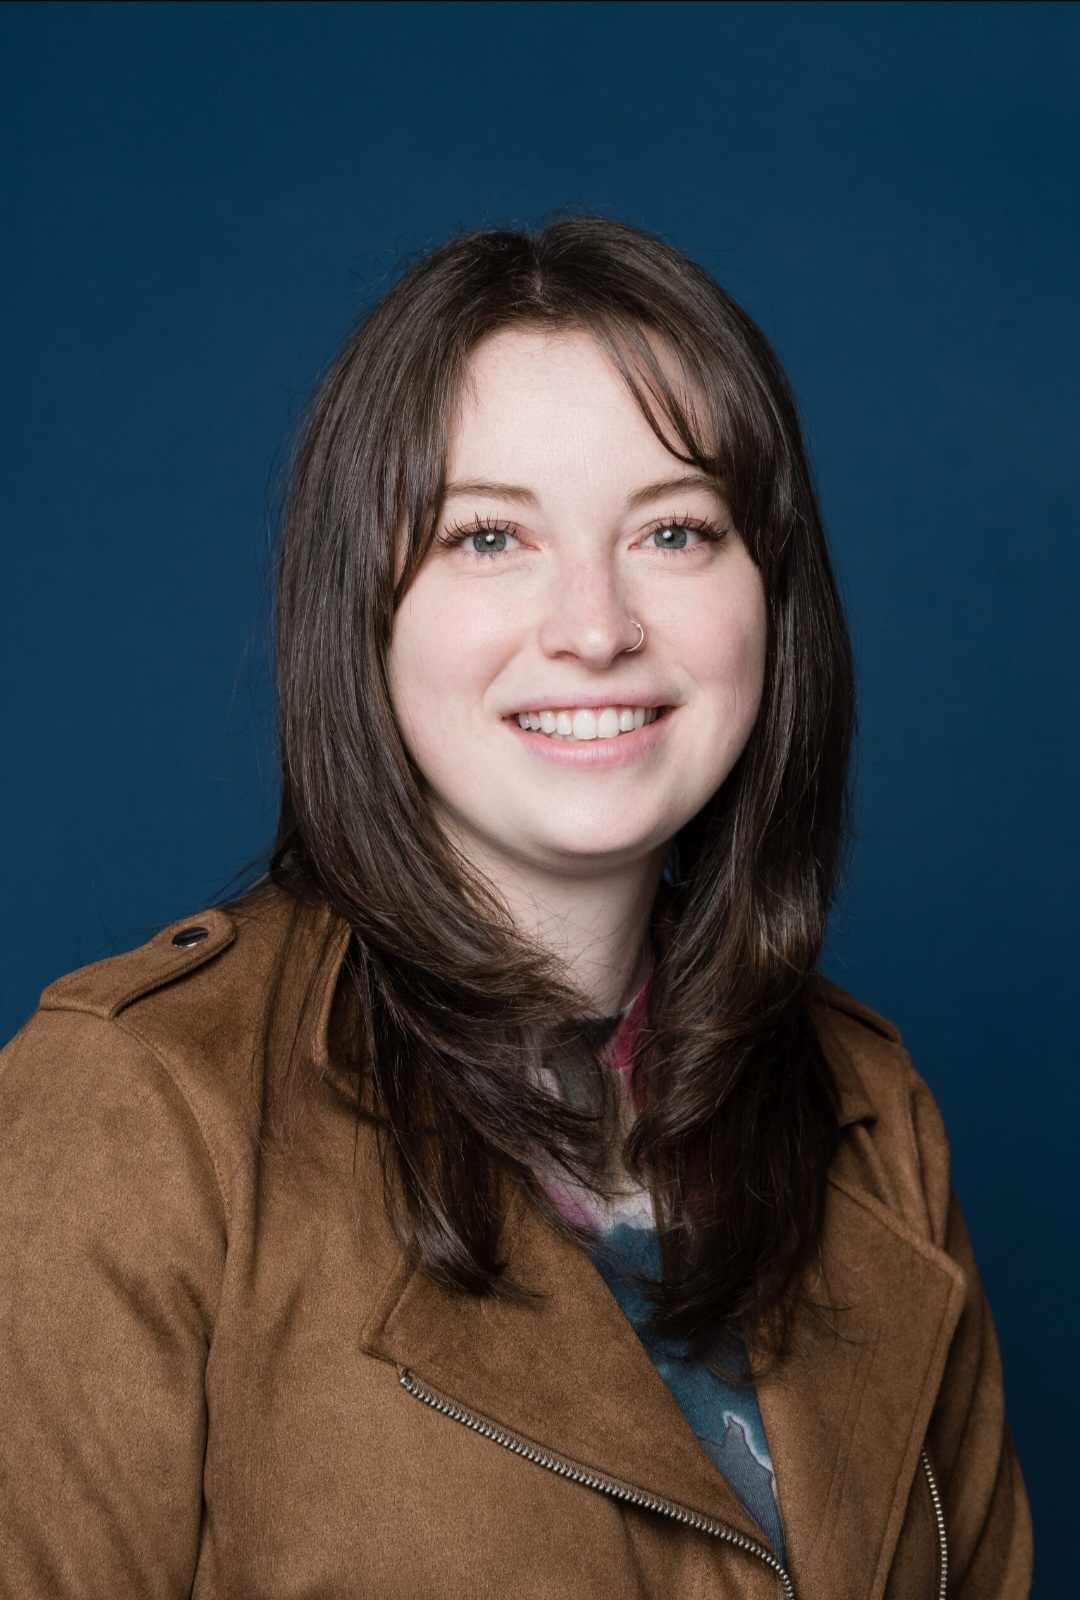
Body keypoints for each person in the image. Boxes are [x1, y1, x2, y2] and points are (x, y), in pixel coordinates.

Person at [0, 218, 1031, 1599]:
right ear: (363, 607)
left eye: (675, 530)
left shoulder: (870, 1115)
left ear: (773, 595)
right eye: (488, 536)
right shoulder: (134, 1110)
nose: (595, 627)